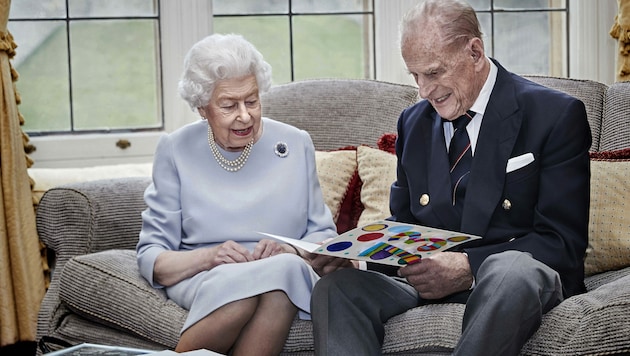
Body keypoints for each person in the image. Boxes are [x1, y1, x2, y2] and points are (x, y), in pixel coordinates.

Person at [309, 1, 591, 355]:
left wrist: (469, 267)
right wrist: (357, 258)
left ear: (474, 51)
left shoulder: (555, 114)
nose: (424, 91)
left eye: (433, 73)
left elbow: (562, 243)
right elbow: (406, 227)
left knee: (511, 270)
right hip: (427, 284)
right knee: (337, 289)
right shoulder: (412, 123)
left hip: (513, 282)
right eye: (415, 76)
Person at [136, 33, 337, 355]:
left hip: (285, 270)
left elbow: (323, 234)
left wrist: (292, 250)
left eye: (252, 101)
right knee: (249, 296)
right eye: (228, 105)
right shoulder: (175, 149)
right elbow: (153, 258)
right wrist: (210, 256)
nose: (245, 115)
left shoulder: (296, 142)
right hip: (206, 274)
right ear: (202, 108)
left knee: (282, 277)